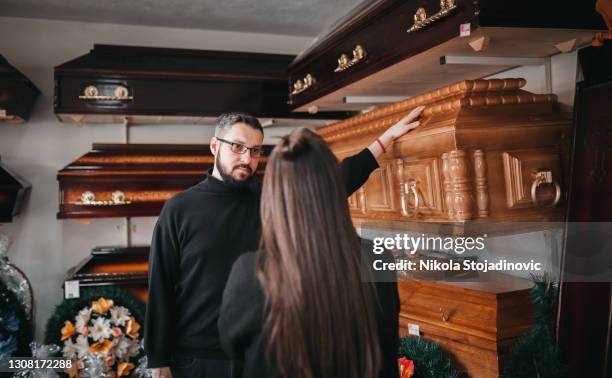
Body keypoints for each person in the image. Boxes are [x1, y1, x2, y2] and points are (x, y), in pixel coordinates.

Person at [146, 108, 423, 378]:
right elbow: (160, 283)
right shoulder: (179, 209)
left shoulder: (270, 197)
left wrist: (385, 139)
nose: (247, 158)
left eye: (255, 151)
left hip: (258, 352)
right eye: (238, 147)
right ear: (214, 146)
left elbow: (334, 180)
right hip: (196, 358)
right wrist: (158, 358)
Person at [219, 128, 400, 378]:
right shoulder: (376, 257)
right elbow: (389, 351)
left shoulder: (251, 272)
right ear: (334, 187)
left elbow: (232, 347)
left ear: (273, 196)